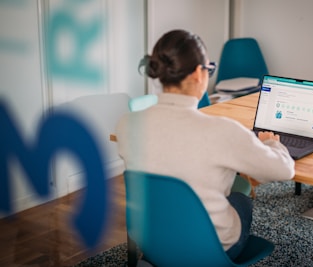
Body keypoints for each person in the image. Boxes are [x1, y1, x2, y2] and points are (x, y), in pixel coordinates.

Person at [116, 29, 295, 260]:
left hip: (151, 239)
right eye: (209, 70)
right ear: (199, 74)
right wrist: (271, 142)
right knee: (241, 197)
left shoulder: (127, 123)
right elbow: (284, 170)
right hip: (211, 248)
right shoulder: (223, 130)